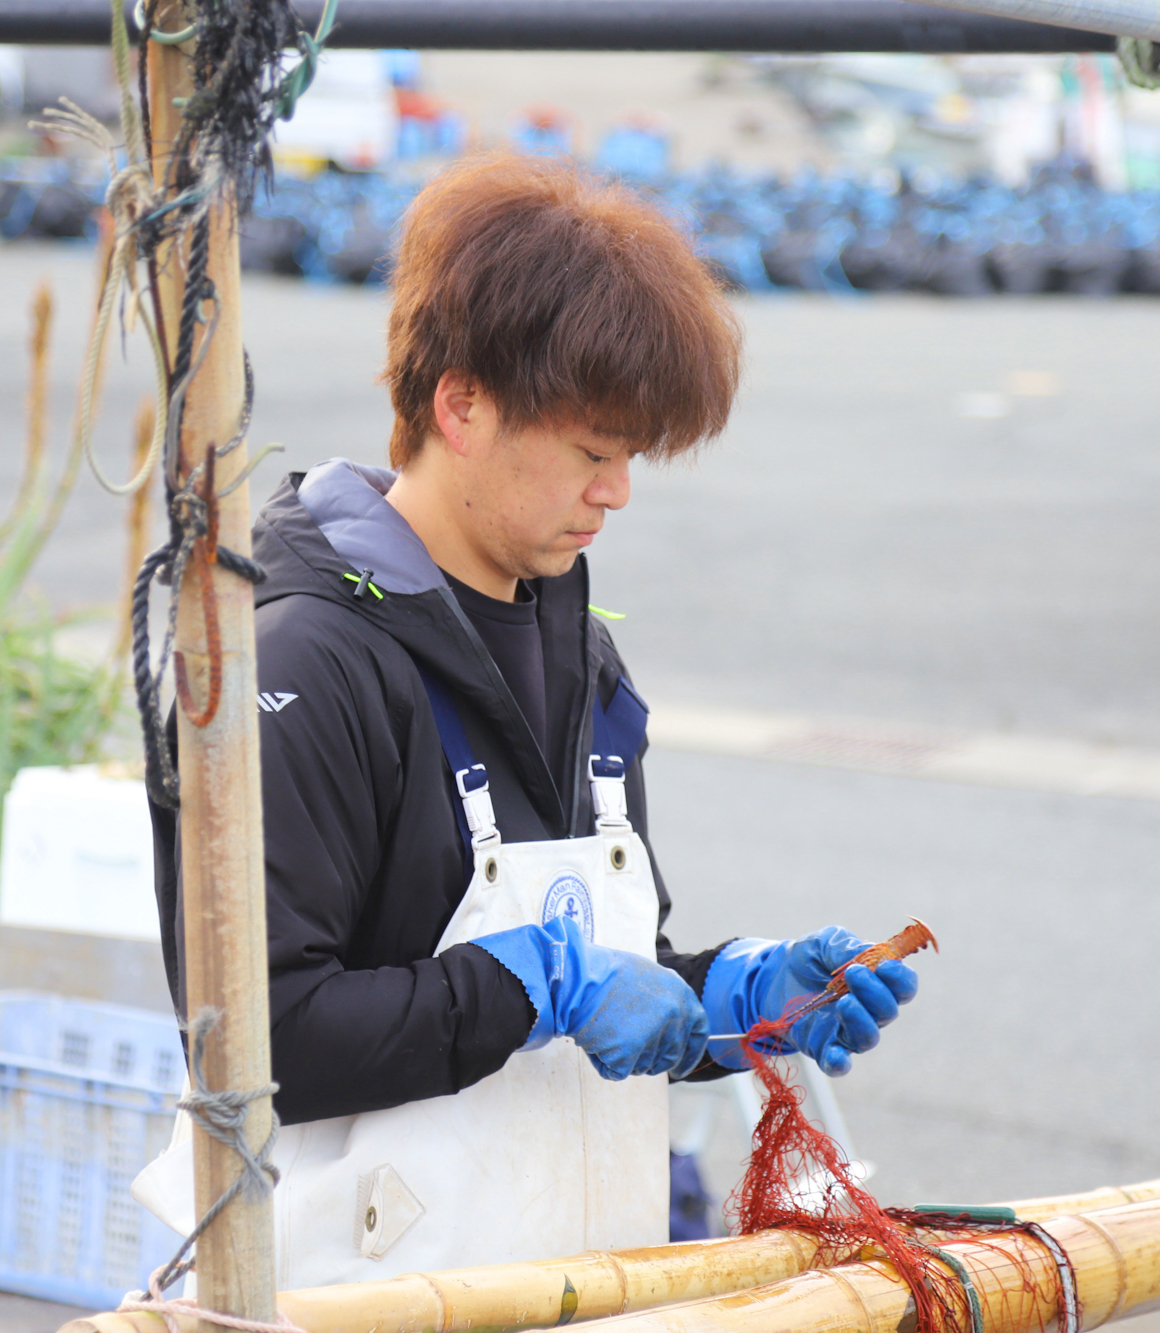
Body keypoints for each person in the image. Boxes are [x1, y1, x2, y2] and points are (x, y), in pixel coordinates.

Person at [138, 153, 922, 1289]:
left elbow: (611, 987)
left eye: (631, 460)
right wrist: (535, 985)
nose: (616, 493)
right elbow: (262, 1041)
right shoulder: (296, 660)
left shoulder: (581, 653)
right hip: (344, 1302)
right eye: (592, 454)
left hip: (572, 1282)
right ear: (460, 404)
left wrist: (741, 999)